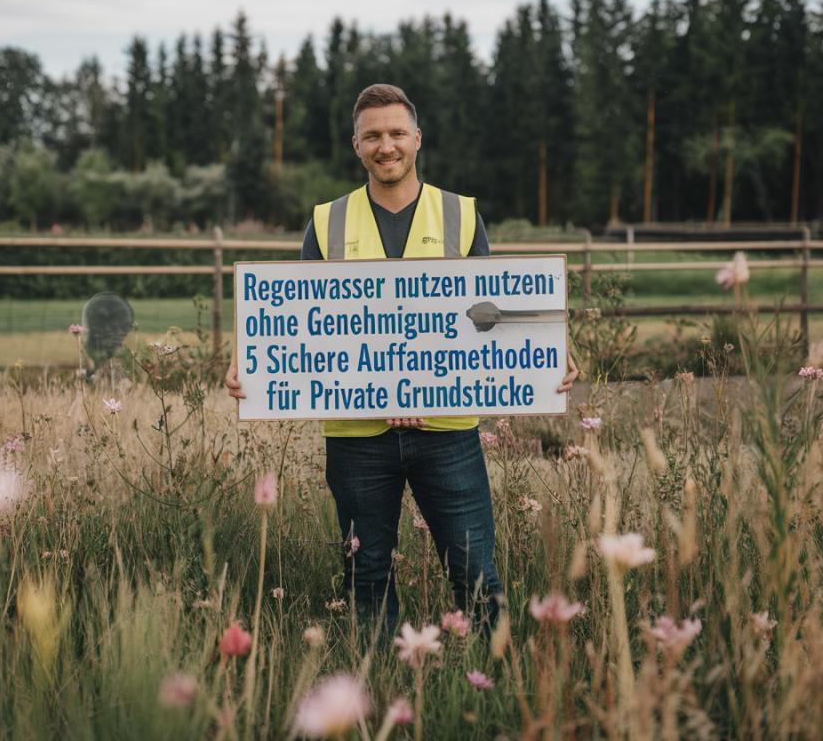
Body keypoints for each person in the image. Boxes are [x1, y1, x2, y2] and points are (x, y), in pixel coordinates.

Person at [227, 84, 577, 633]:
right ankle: (374, 697)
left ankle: (492, 694)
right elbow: (300, 318)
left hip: (448, 430)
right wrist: (251, 356)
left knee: (475, 570)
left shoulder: (461, 215)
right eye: (373, 136)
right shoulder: (327, 222)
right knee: (366, 575)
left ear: (417, 138)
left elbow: (486, 313)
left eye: (395, 133)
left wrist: (547, 341)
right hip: (356, 435)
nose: (385, 145)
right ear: (356, 145)